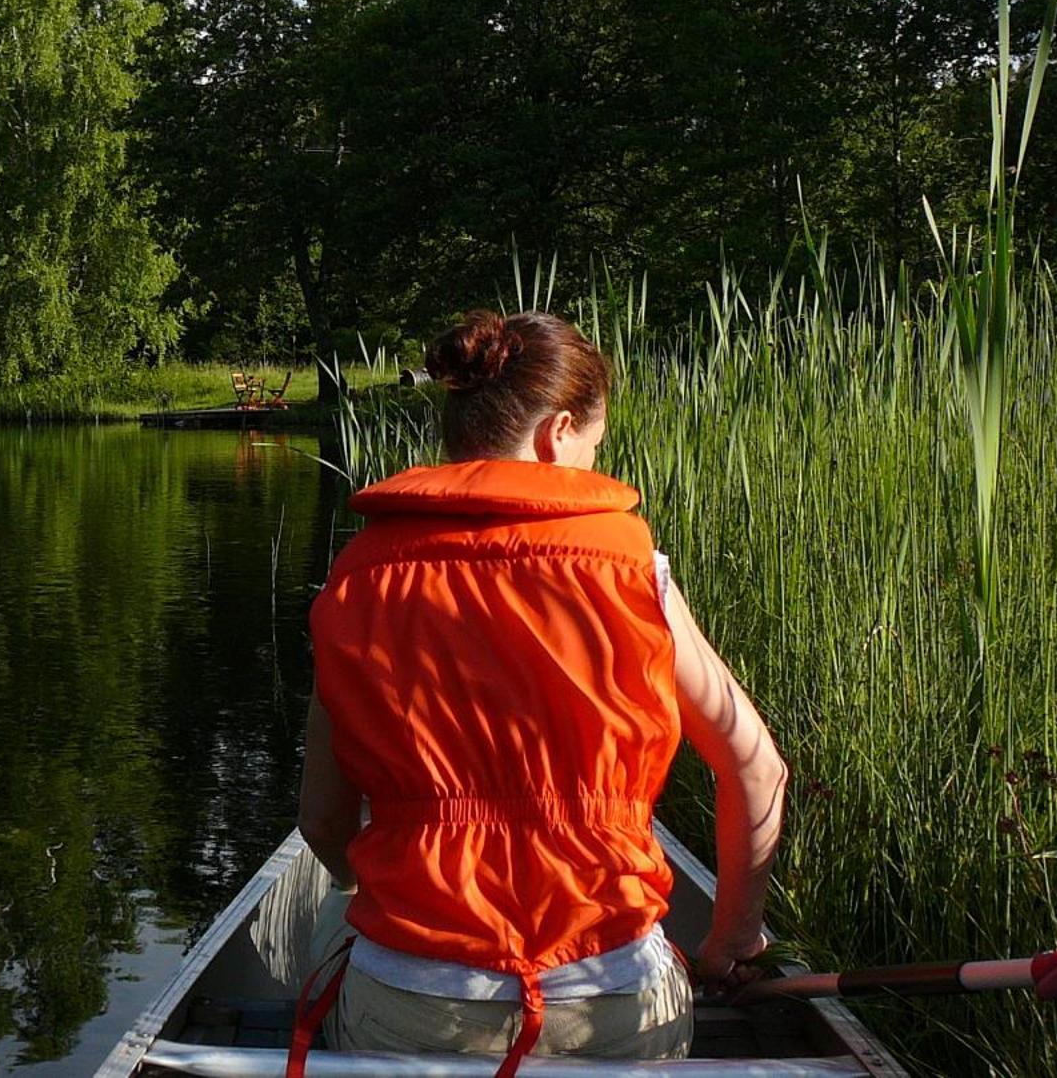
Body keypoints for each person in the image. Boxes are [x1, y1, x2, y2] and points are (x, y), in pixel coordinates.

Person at [293, 308, 787, 1074]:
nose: (593, 464)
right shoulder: (636, 571)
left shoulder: (359, 578)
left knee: (333, 925)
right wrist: (731, 939)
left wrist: (392, 886)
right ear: (559, 433)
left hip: (415, 1006)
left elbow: (323, 821)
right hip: (612, 997)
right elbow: (757, 771)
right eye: (595, 447)